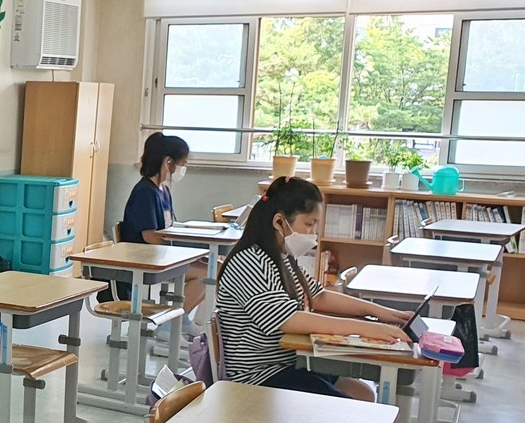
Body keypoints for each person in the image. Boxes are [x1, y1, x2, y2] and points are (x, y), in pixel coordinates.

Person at [215, 176, 411, 400]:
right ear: (279, 222)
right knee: (354, 409)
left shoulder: (281, 256)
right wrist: (368, 329)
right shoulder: (250, 262)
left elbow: (319, 297)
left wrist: (379, 312)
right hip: (258, 376)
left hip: (287, 362)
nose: (313, 232)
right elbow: (288, 320)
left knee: (363, 393)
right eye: (308, 224)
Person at [118, 133, 207, 333]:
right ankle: (169, 324)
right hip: (147, 259)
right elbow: (149, 236)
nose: (184, 169)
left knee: (215, 267)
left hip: (163, 256)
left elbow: (170, 227)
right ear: (168, 161)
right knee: (208, 274)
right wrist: (187, 250)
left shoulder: (163, 190)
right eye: (183, 163)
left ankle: (181, 321)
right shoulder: (145, 192)